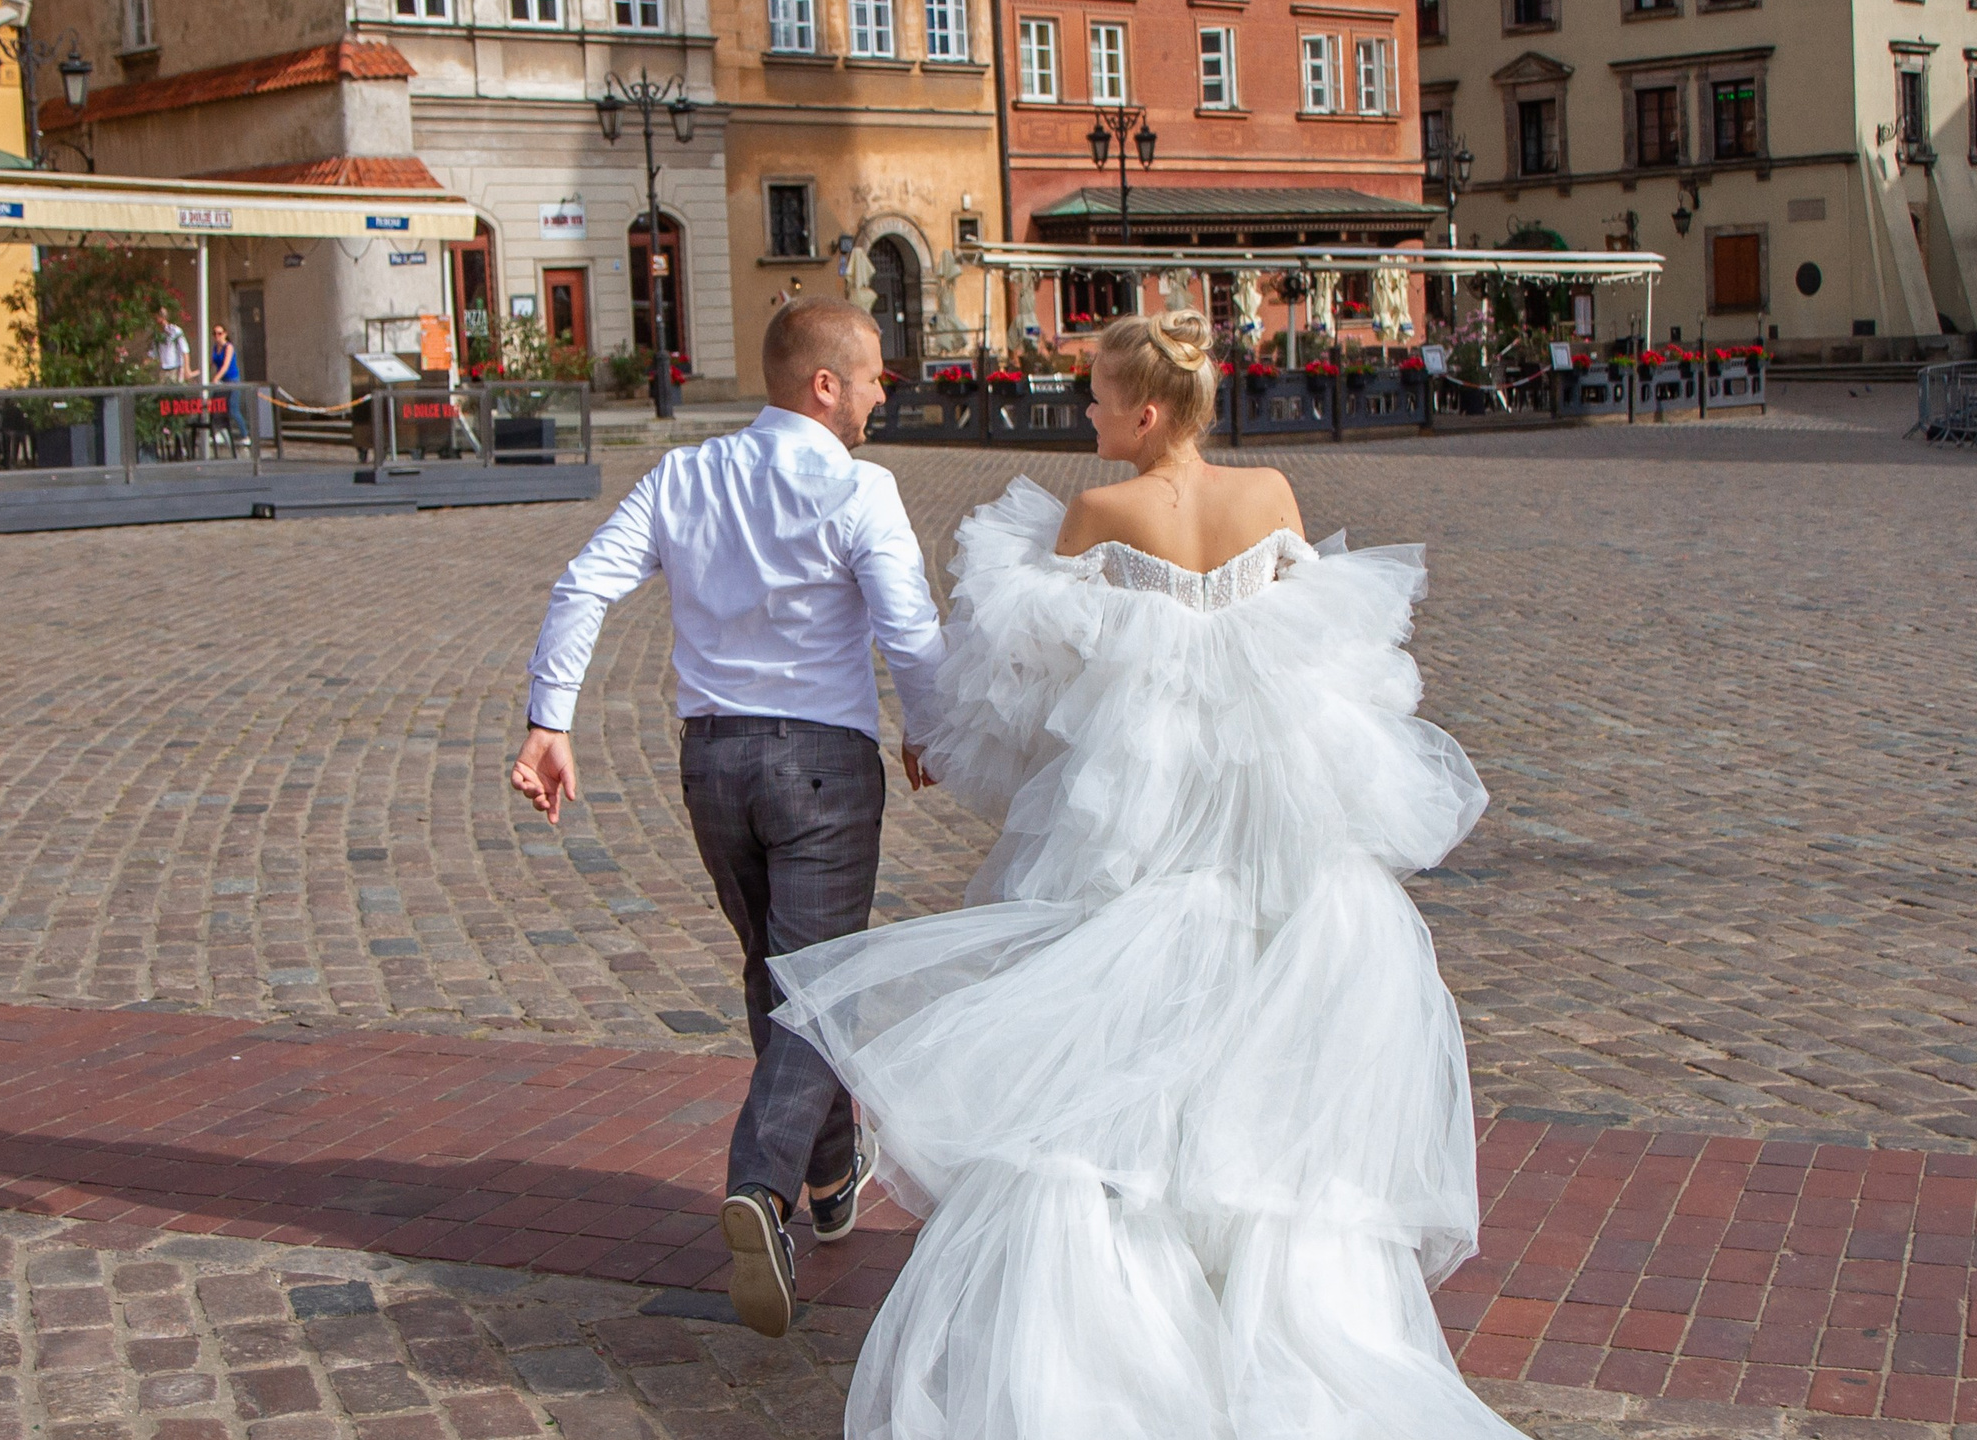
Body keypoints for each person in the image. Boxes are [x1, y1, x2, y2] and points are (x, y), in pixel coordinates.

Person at [767, 310, 1516, 1437]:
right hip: (1267, 825)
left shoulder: (1099, 515)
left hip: (1136, 830)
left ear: (1147, 412)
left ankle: (1111, 1340)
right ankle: (1269, 1317)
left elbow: (1029, 688)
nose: (1087, 415)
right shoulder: (1270, 496)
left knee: (1106, 1068)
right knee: (1264, 1067)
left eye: (1100, 399)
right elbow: (1325, 659)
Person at [511, 296, 945, 1339]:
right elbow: (910, 632)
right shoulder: (860, 489)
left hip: (712, 766)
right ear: (825, 386)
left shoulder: (682, 476)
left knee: (775, 971)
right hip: (821, 770)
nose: (883, 395)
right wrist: (932, 732)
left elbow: (583, 586)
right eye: (874, 378)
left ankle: (830, 1176)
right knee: (817, 986)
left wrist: (548, 721)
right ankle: (762, 1186)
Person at [152, 306, 193, 384]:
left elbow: (185, 350)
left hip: (175, 368)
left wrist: (187, 369)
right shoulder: (157, 334)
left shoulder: (175, 331)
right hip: (163, 369)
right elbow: (155, 353)